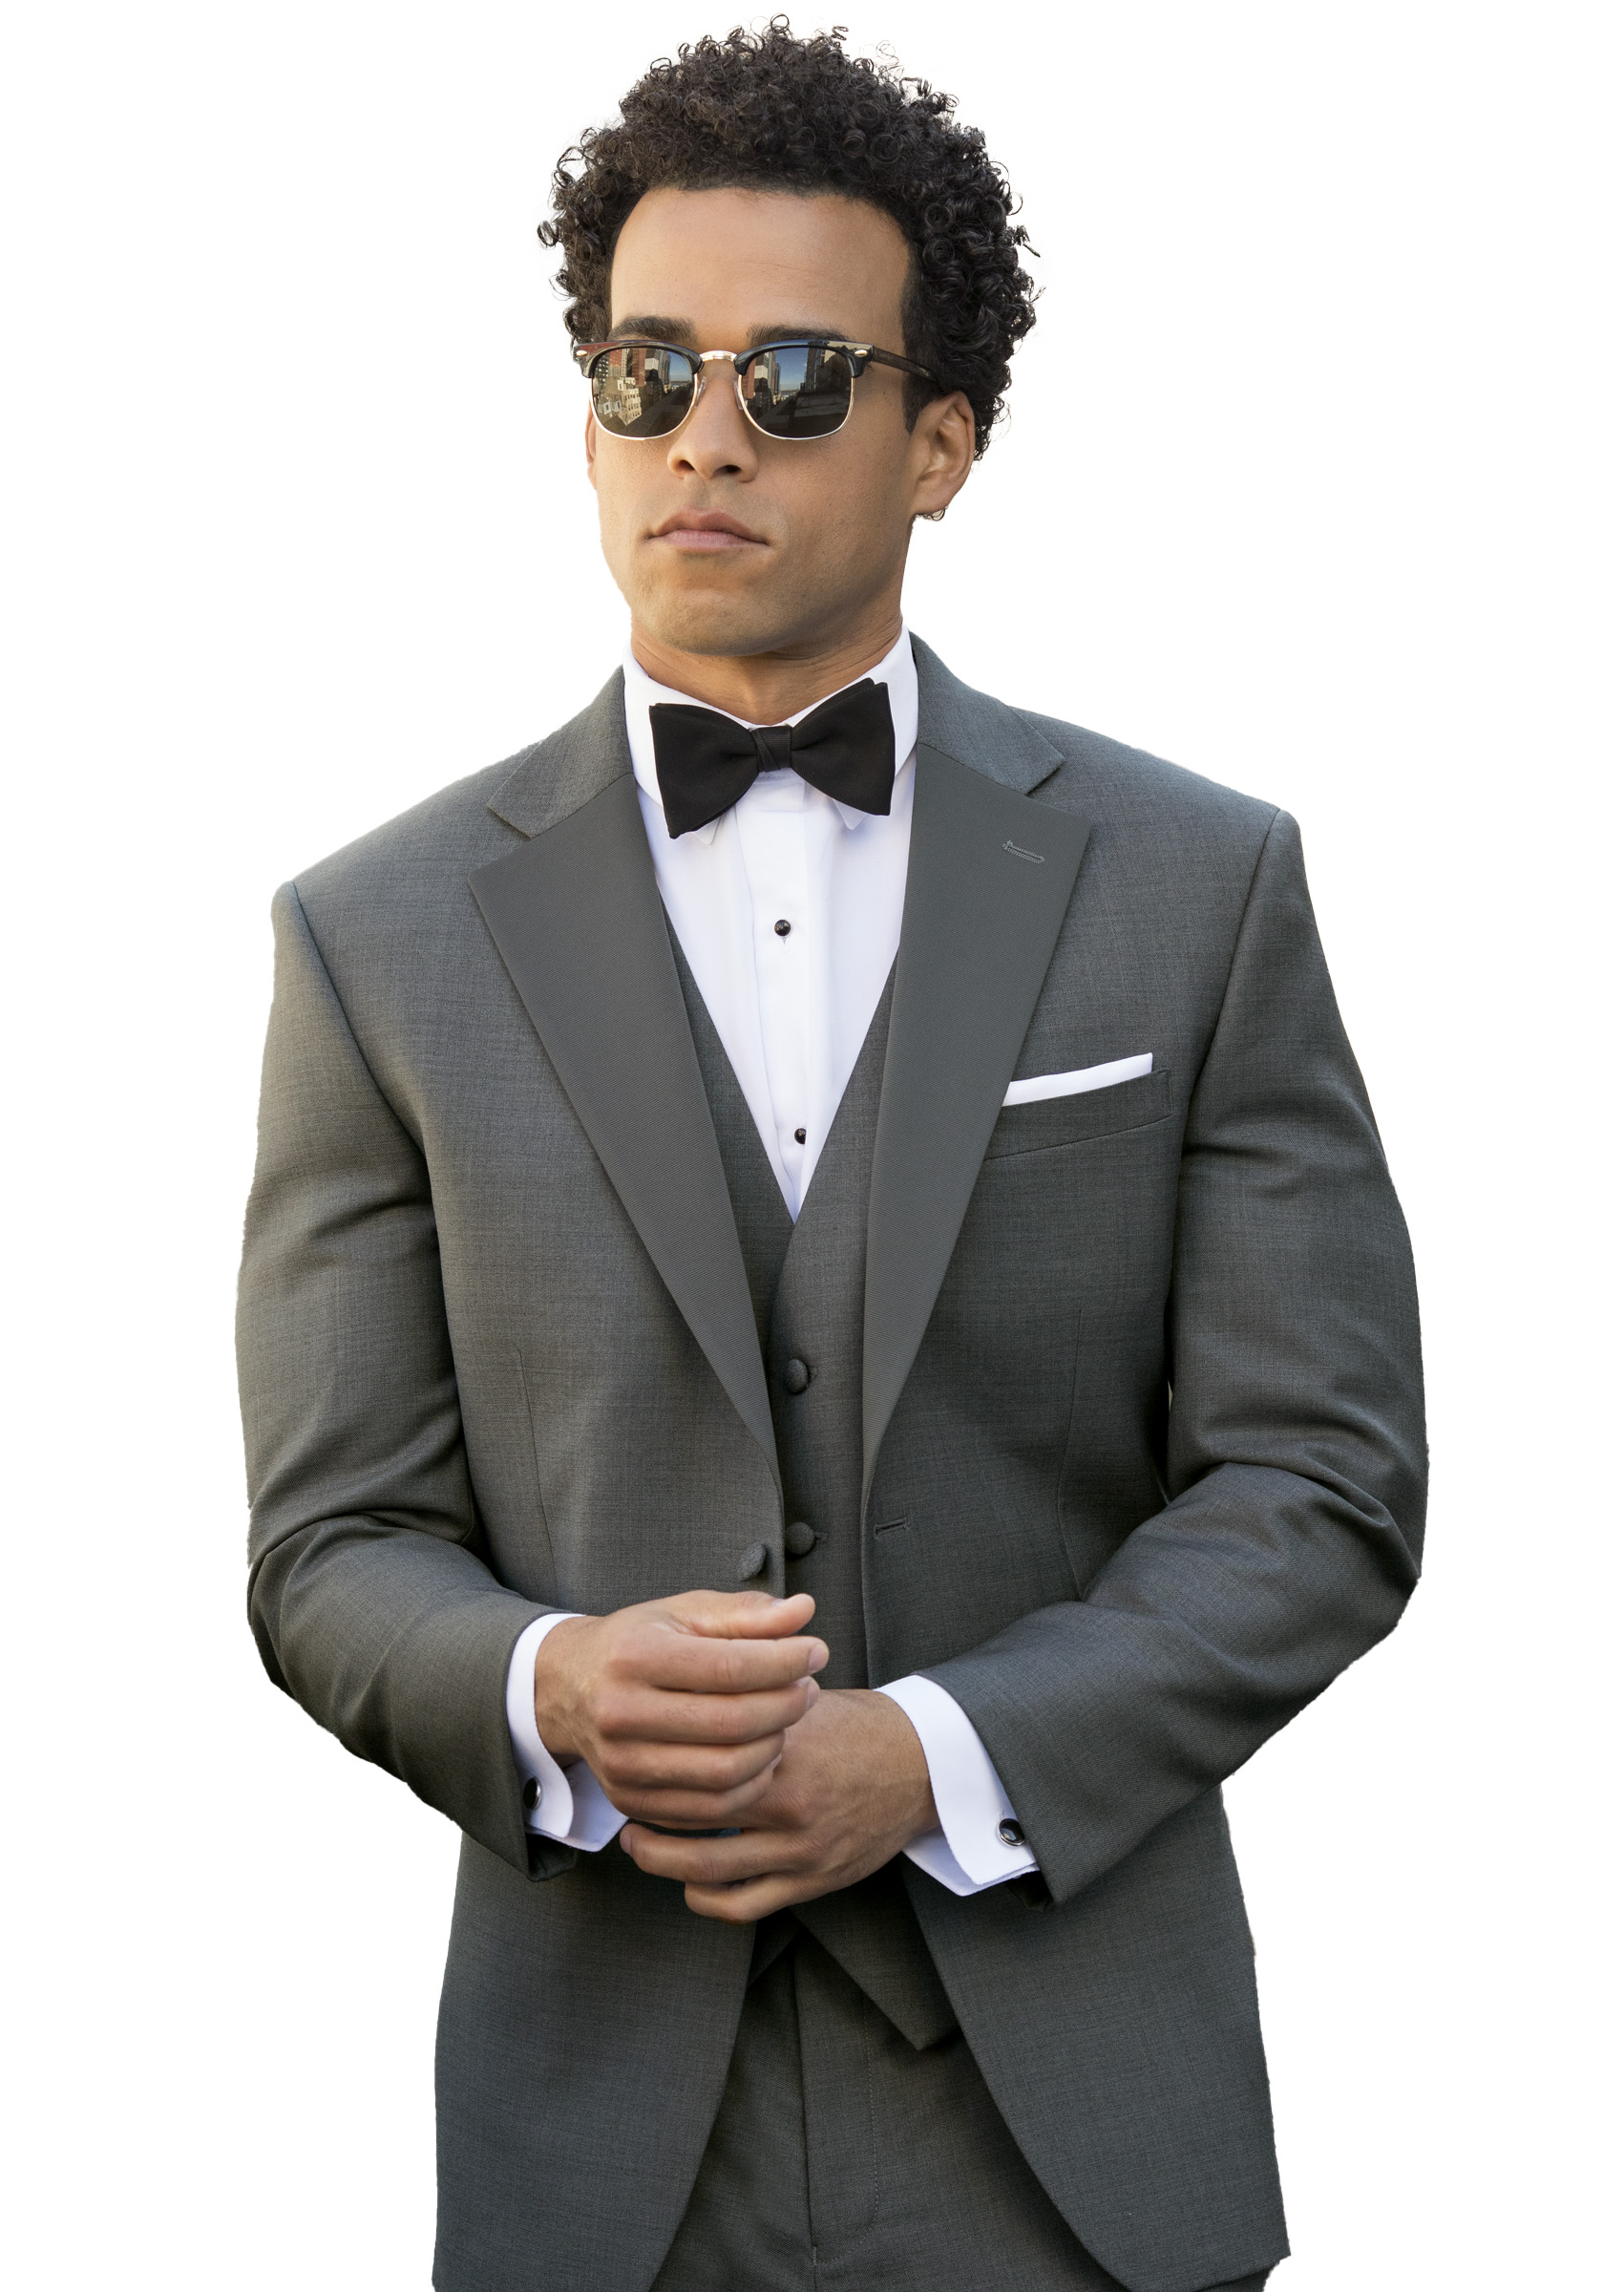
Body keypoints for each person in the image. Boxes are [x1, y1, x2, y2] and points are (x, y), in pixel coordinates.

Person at [237, 23, 1425, 2292]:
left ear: (939, 441)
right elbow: (328, 1543)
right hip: (599, 2154)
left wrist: (940, 1753)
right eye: (644, 371)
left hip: (1076, 2128)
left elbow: (1320, 1481)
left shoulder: (1197, 888)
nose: (702, 432)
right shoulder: (369, 939)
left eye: (792, 378)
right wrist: (544, 1685)